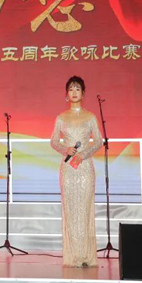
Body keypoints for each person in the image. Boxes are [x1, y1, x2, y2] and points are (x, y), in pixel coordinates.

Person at [50, 76, 103, 267]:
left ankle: (86, 256)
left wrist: (84, 154)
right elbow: (53, 141)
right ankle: (73, 256)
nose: (74, 92)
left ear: (83, 93)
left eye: (78, 89)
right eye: (71, 89)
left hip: (85, 167)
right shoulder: (61, 118)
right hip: (68, 168)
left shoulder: (90, 117)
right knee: (71, 209)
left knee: (85, 209)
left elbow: (98, 141)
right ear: (66, 94)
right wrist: (66, 150)